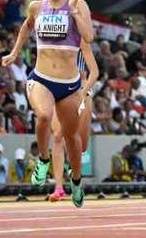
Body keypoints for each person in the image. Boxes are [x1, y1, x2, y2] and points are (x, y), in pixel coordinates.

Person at [2, 0, 95, 208]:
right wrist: (14, 52)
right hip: (41, 78)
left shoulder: (79, 4)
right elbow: (26, 27)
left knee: (72, 139)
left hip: (69, 84)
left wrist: (74, 12)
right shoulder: (36, 7)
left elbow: (89, 37)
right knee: (43, 116)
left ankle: (75, 182)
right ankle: (43, 162)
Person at [48, 44, 99, 202]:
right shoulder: (52, 42)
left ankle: (75, 180)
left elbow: (95, 72)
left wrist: (84, 92)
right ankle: (58, 188)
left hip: (81, 89)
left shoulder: (83, 41)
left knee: (81, 145)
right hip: (60, 89)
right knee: (57, 136)